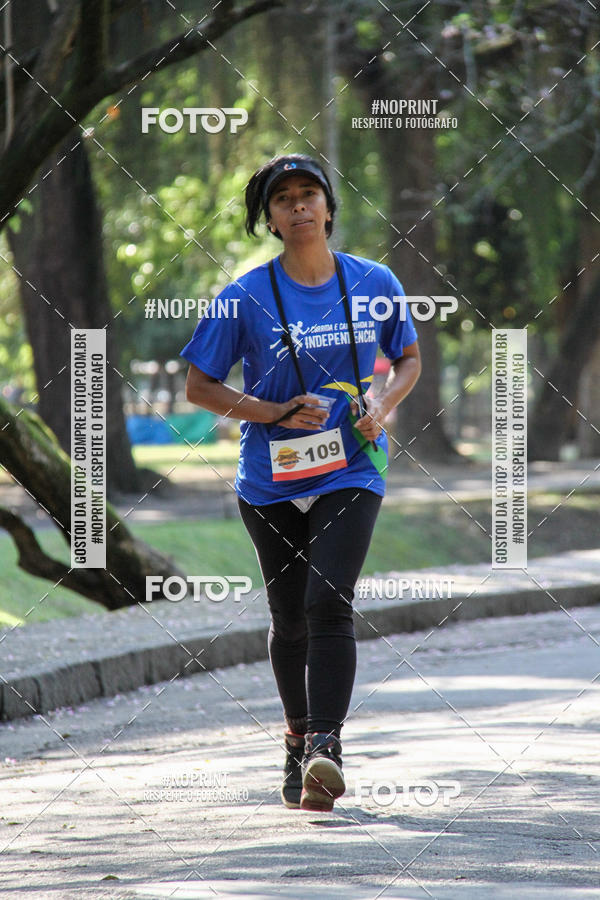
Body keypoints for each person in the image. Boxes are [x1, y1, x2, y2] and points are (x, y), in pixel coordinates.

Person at [181, 153, 421, 812]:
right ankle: (296, 741)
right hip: (271, 478)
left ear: (328, 207)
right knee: (288, 618)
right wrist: (272, 412)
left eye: (308, 193)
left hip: (353, 465)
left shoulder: (375, 281)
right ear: (271, 219)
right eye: (282, 198)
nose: (298, 205)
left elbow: (407, 358)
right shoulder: (243, 297)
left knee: (327, 601)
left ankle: (326, 748)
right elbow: (199, 386)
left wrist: (381, 407)